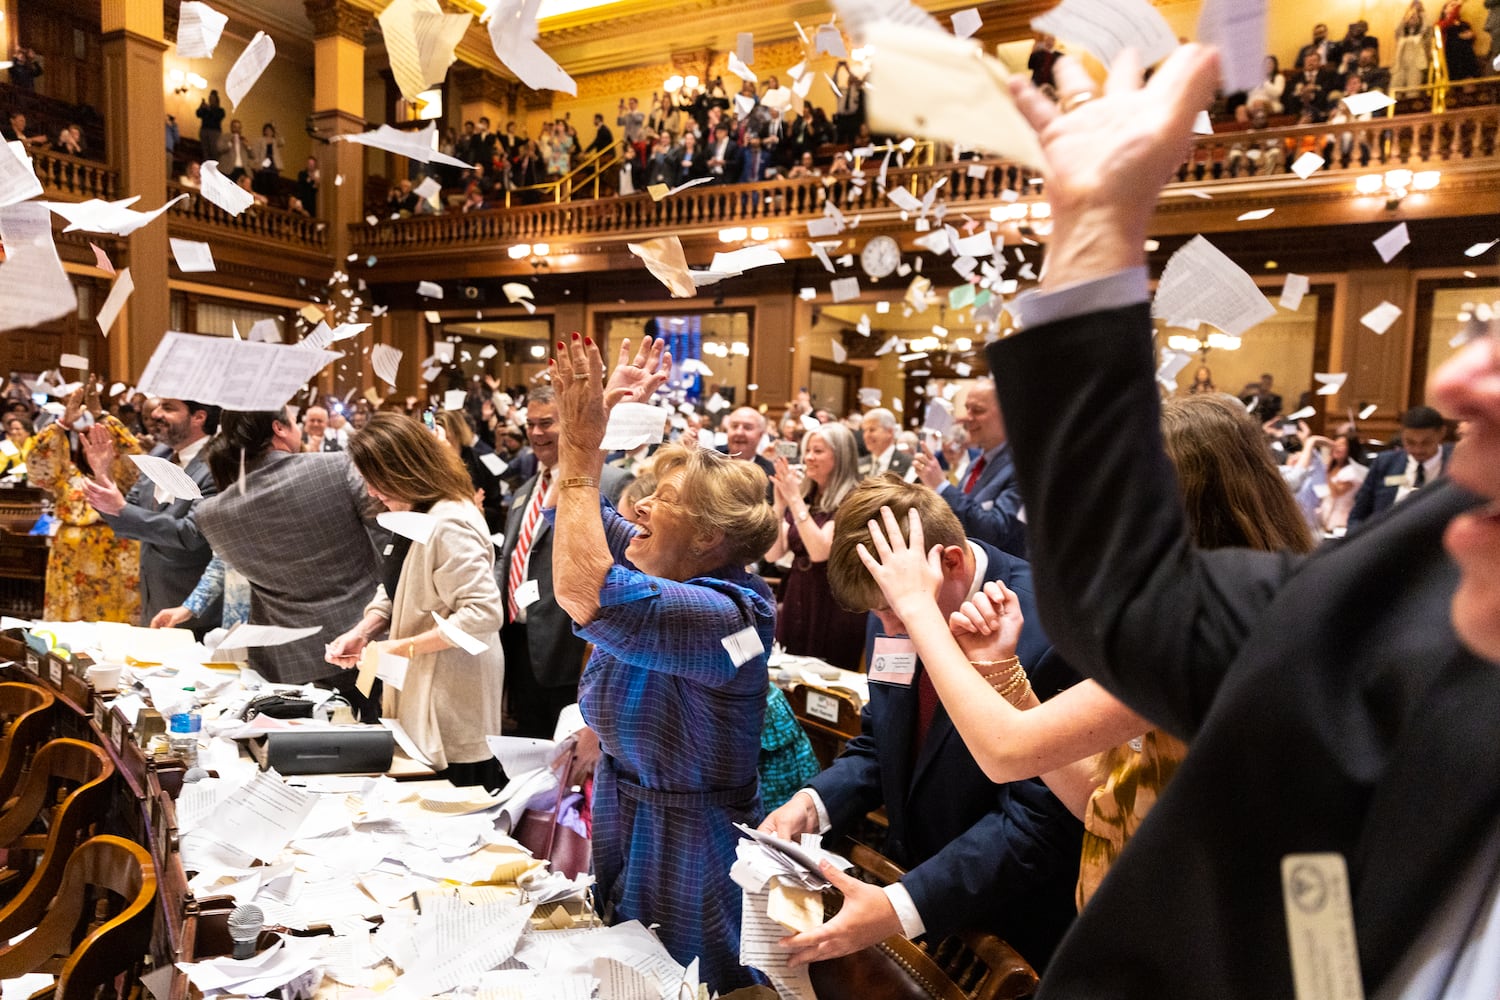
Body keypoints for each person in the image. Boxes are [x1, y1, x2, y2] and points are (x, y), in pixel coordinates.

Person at [985, 42, 1500, 997]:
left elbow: (1012, 750)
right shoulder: (1412, 588)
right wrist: (1096, 226)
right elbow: (1132, 599)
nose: (1459, 379)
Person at [853, 393, 1318, 912]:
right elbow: (1100, 799)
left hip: (1211, 913)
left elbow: (1005, 753)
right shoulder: (1198, 612)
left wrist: (916, 608)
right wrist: (1006, 674)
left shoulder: (1222, 625)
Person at [762, 476, 1083, 970]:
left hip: (1005, 925)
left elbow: (1040, 821)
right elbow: (881, 741)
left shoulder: (1053, 630)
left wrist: (903, 905)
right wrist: (814, 803)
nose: (889, 627)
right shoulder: (895, 601)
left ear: (950, 562)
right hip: (911, 890)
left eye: (893, 611)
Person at [549, 334, 780, 992]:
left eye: (663, 498)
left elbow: (582, 588)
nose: (640, 505)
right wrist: (599, 430)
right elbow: (574, 522)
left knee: (692, 986)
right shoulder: (665, 562)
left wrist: (578, 450)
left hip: (696, 847)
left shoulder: (729, 615)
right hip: (630, 816)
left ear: (709, 535)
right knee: (628, 977)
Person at [325, 415, 505, 789]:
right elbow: (397, 587)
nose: (372, 492)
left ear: (405, 470)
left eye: (376, 481)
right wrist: (364, 630)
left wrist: (401, 648)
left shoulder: (449, 521)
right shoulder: (415, 511)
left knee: (448, 797)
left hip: (451, 690)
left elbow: (483, 613)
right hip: (418, 680)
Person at [194, 409, 387, 713]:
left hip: (287, 660)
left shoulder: (211, 513)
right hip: (364, 638)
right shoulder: (337, 466)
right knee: (370, 747)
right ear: (279, 428)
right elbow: (390, 540)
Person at [497, 386, 633, 739]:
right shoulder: (526, 488)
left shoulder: (612, 482)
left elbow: (620, 561)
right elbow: (512, 555)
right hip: (517, 638)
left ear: (570, 425)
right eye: (530, 424)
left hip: (569, 643)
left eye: (547, 423)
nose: (537, 433)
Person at [82, 398, 220, 630]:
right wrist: (104, 474)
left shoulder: (217, 464)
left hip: (195, 606)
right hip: (153, 596)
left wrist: (121, 509)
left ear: (199, 417)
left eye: (168, 408)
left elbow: (192, 534)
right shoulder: (161, 453)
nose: (155, 414)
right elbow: (129, 510)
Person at [27, 385, 143, 623]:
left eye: (102, 440)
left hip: (116, 552)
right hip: (72, 557)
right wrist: (61, 425)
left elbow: (135, 458)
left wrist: (101, 417)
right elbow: (38, 465)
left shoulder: (119, 477)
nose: (95, 446)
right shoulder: (65, 474)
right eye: (88, 439)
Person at [765, 422, 867, 670]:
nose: (809, 457)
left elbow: (820, 552)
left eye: (818, 451)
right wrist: (779, 505)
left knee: (826, 679)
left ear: (840, 455)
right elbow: (772, 554)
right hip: (798, 592)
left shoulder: (854, 499)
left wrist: (794, 499)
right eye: (807, 450)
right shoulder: (808, 497)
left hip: (833, 602)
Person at [912, 380, 1027, 557]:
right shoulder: (977, 464)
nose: (967, 418)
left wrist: (942, 486)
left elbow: (996, 530)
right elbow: (958, 517)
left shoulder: (1021, 467)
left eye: (978, 410)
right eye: (967, 409)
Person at [1347, 404, 1451, 529]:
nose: (1418, 449)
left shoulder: (1457, 464)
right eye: (1410, 442)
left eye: (1426, 442)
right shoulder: (1385, 463)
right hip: (1385, 540)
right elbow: (1358, 515)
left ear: (1441, 434)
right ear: (1402, 436)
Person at [858, 408, 911, 478]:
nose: (866, 436)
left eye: (872, 430)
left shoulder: (908, 463)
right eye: (864, 431)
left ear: (889, 432)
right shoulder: (859, 464)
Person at [1392, 1, 1429, 94]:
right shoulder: (1401, 34)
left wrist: (1421, 13)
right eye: (1410, 17)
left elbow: (1426, 28)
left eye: (1415, 17)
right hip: (1400, 64)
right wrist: (1407, 14)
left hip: (1416, 64)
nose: (1412, 18)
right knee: (1394, 88)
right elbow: (1398, 29)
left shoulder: (1423, 34)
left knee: (1413, 90)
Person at [1438, 0, 1480, 81]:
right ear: (1444, 10)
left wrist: (1470, 36)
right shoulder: (1440, 23)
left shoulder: (1463, 23)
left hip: (1466, 56)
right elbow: (1447, 24)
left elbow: (1472, 38)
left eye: (1455, 5)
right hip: (1451, 57)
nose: (1454, 7)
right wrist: (1458, 5)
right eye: (1451, 5)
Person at [196, 91, 226, 162]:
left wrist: (209, 109)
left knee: (214, 151)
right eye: (210, 98)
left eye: (212, 98)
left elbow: (217, 117)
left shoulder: (220, 110)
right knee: (205, 152)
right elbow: (198, 114)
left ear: (216, 99)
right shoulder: (205, 109)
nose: (211, 100)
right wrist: (201, 107)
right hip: (204, 131)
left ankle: (214, 167)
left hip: (214, 133)